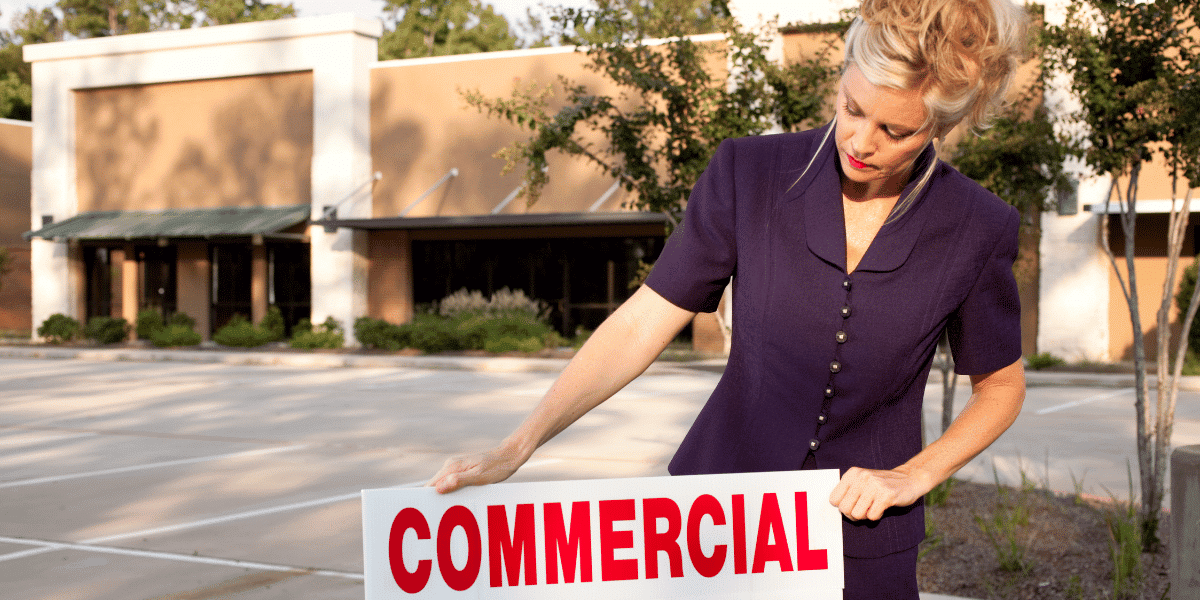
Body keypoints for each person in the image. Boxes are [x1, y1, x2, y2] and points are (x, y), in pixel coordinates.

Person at [429, 0, 1029, 597]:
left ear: (940, 129)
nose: (859, 140)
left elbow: (1000, 389)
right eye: (851, 107)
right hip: (718, 525)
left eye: (894, 130)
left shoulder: (979, 226)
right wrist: (520, 444)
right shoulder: (750, 172)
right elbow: (645, 319)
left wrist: (911, 476)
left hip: (866, 542)